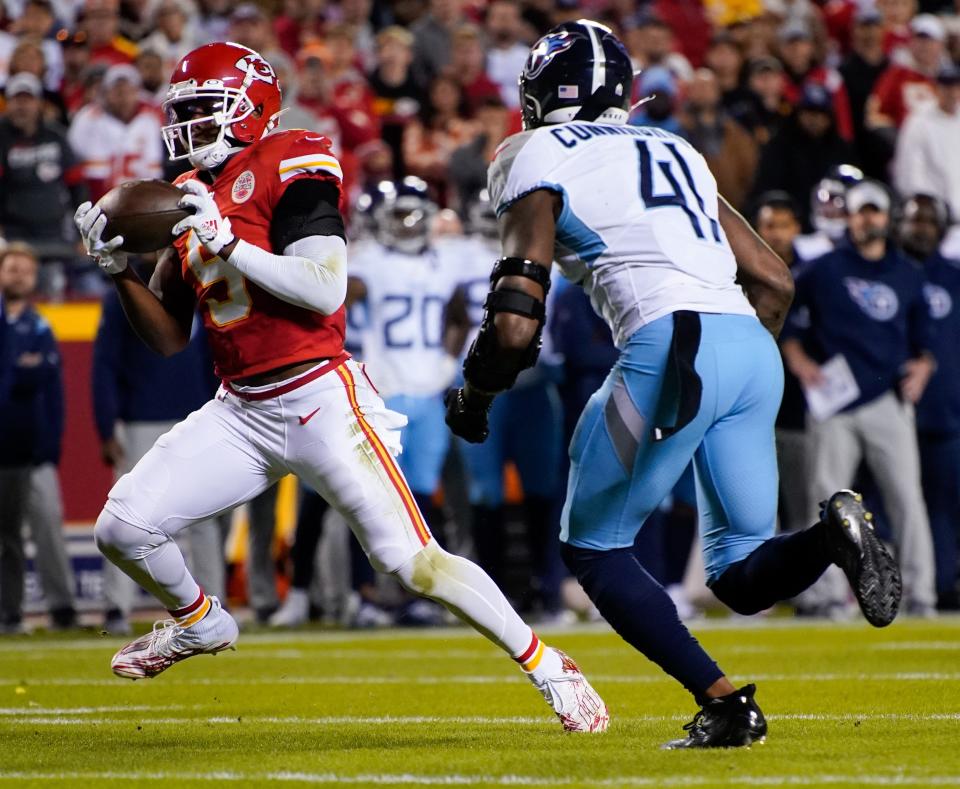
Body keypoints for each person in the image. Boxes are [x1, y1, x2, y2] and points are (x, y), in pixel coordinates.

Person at [73, 41, 608, 734]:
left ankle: (548, 664)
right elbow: (171, 336)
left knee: (411, 562)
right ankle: (201, 621)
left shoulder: (288, 158)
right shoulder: (188, 201)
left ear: (249, 108)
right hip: (241, 408)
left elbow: (323, 287)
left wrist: (230, 243)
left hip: (320, 398)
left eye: (205, 109)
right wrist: (116, 269)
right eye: (184, 113)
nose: (189, 126)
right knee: (123, 526)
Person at [445, 20, 901, 749]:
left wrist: (474, 397)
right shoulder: (676, 147)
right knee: (741, 575)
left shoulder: (530, 152)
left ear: (541, 91)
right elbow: (773, 278)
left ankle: (724, 704)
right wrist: (734, 368)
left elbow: (514, 320)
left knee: (592, 546)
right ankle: (832, 534)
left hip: (670, 345)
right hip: (749, 347)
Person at [781, 179, 937, 616]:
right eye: (861, 211)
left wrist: (923, 369)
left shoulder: (907, 272)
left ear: (887, 218)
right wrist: (799, 362)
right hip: (833, 402)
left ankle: (921, 594)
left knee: (907, 497)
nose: (868, 219)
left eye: (875, 212)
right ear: (849, 216)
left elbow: (926, 343)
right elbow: (788, 326)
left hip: (888, 398)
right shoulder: (823, 269)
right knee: (829, 502)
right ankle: (827, 595)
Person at [92, 261, 227, 634]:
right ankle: (117, 606)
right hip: (141, 418)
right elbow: (104, 364)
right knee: (127, 513)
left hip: (197, 416)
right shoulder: (120, 296)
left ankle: (216, 601)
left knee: (205, 516)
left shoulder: (198, 291)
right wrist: (107, 425)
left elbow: (211, 360)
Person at [898, 193, 960, 611]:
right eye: (913, 220)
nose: (920, 228)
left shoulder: (956, 277)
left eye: (928, 221)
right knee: (895, 505)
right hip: (893, 411)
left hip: (948, 413)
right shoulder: (890, 273)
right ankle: (907, 586)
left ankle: (942, 582)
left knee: (945, 504)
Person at [0, 243, 65, 633]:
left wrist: (50, 445)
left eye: (25, 269)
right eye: (12, 268)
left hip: (28, 446)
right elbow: (23, 375)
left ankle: (56, 608)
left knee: (37, 528)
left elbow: (49, 387)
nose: (19, 275)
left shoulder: (41, 327)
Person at [892, 66, 960, 221]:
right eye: (947, 87)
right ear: (937, 89)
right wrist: (927, 209)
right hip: (933, 216)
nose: (952, 93)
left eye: (956, 87)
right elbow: (908, 172)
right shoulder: (919, 121)